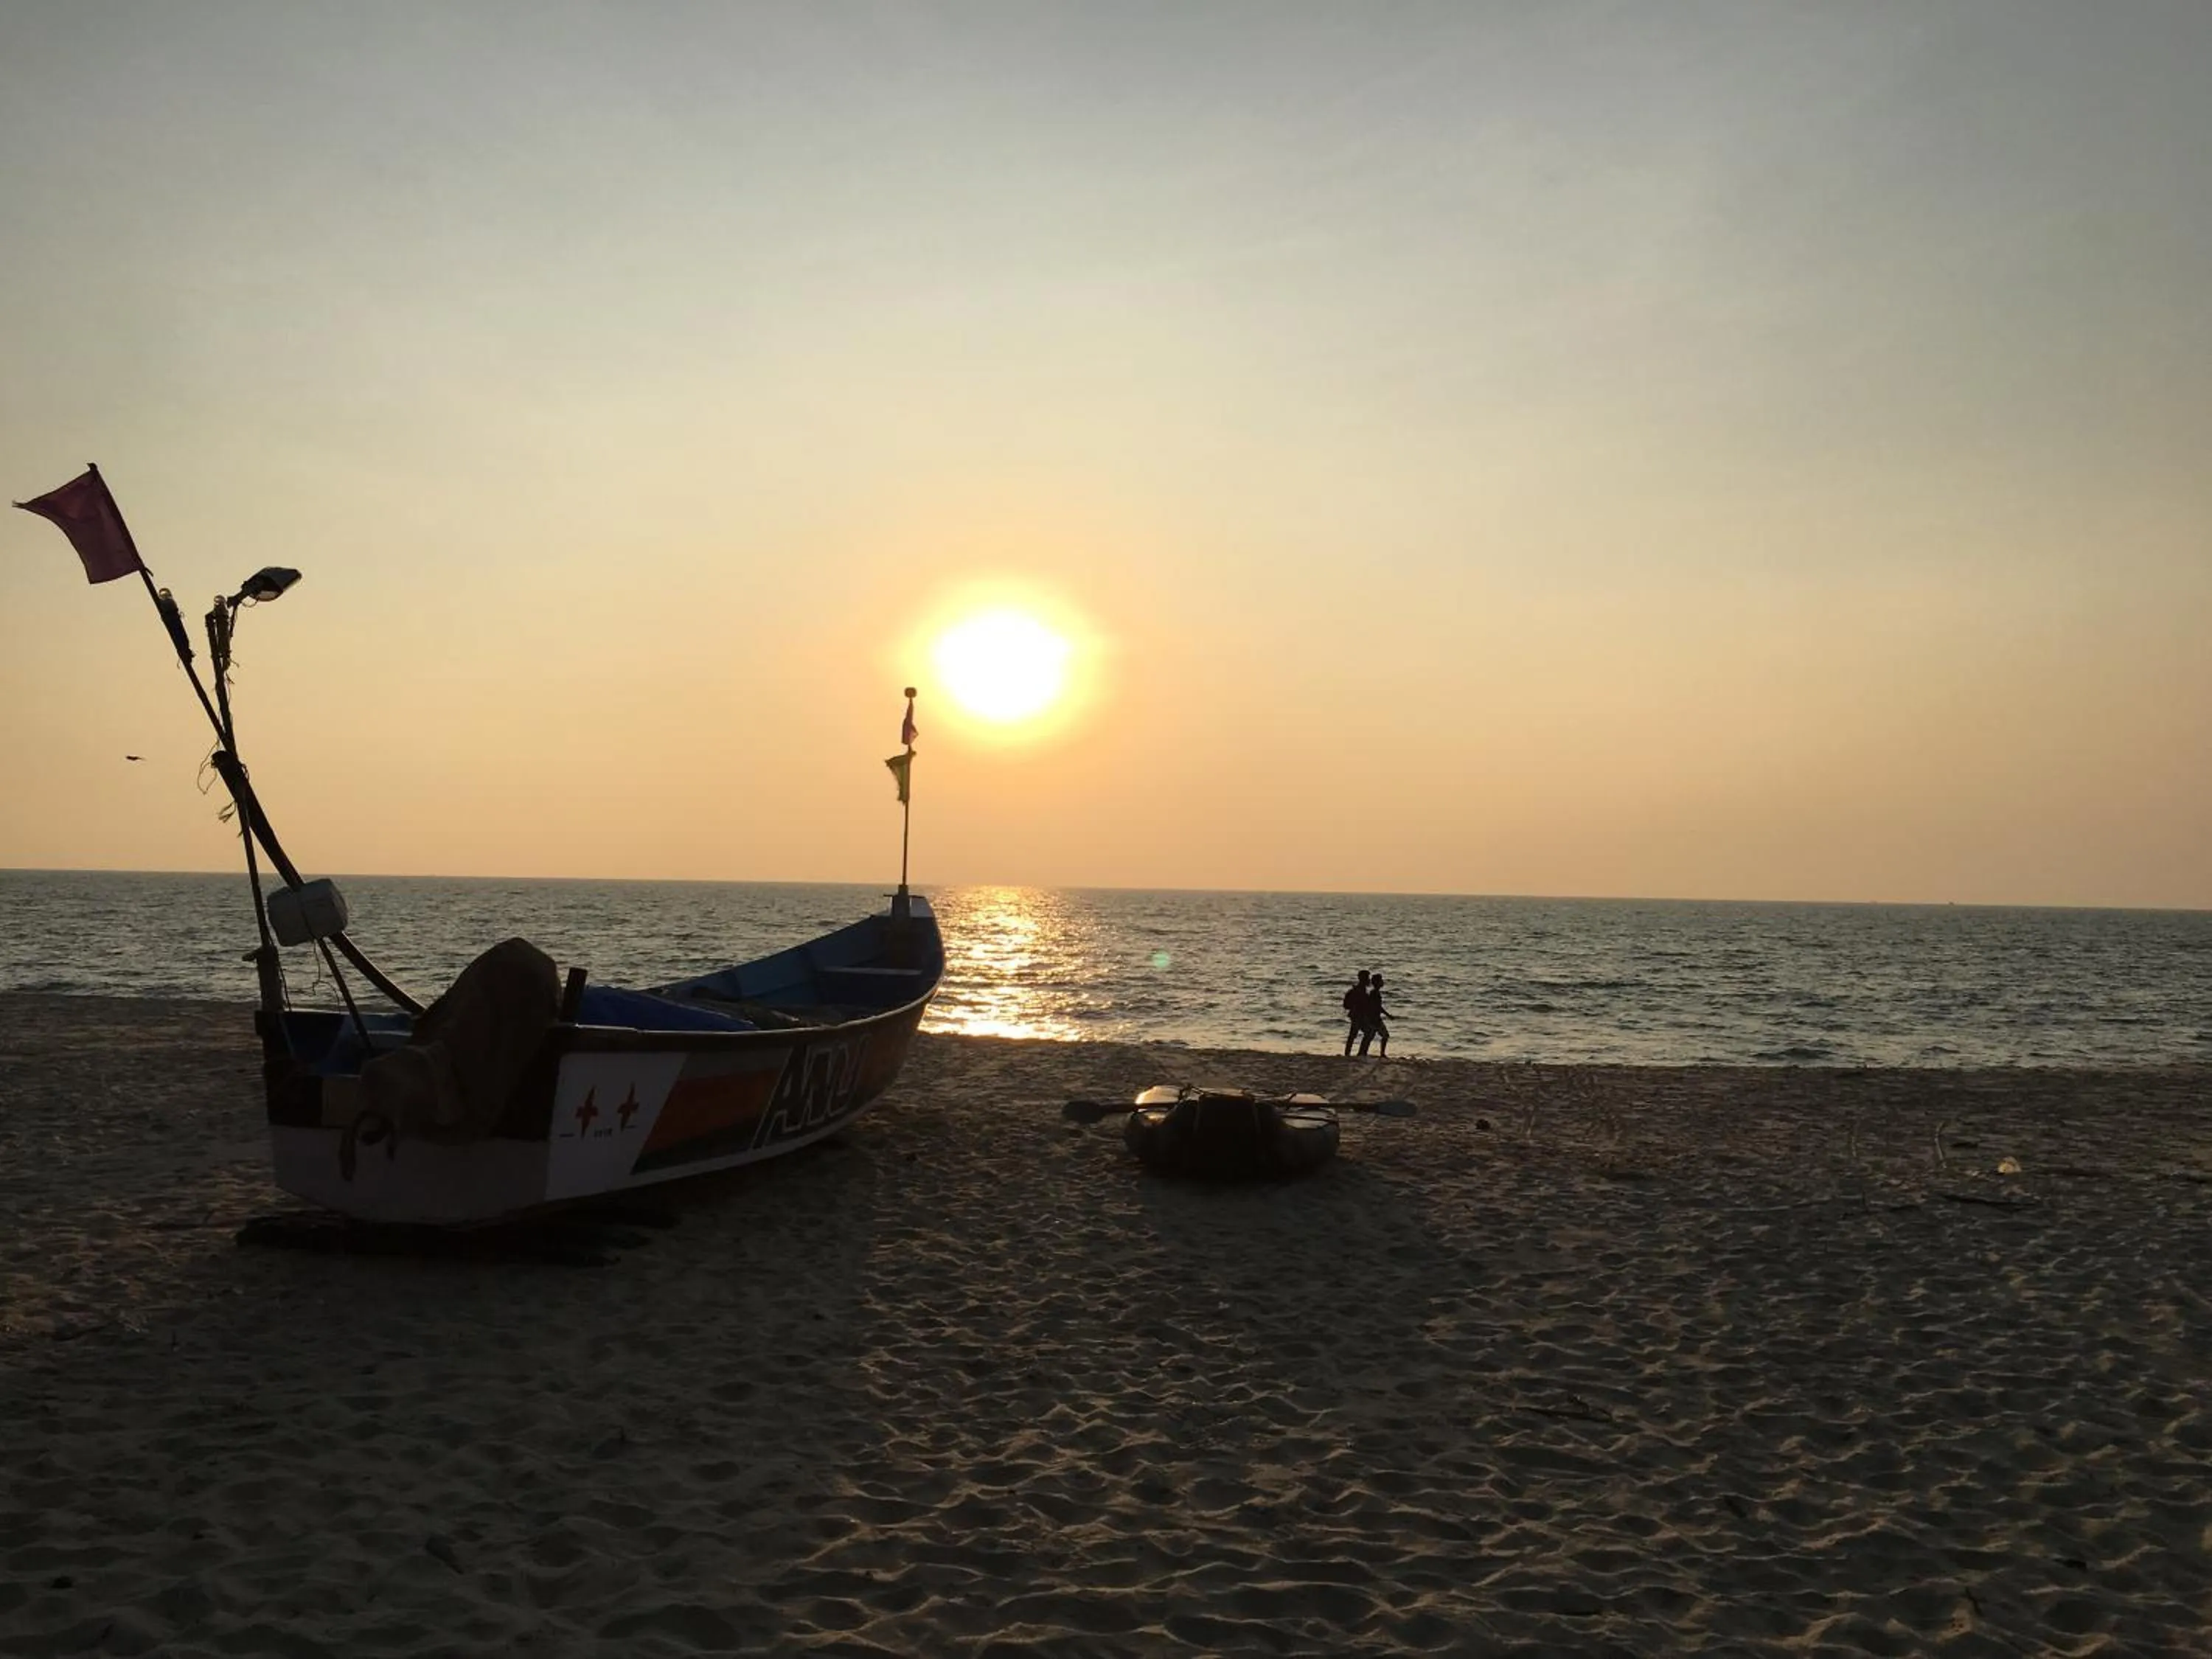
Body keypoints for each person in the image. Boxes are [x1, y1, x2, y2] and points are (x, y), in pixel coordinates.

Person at [1341, 970, 1371, 1057]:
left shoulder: (1361, 990)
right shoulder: (1358, 991)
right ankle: (1356, 1053)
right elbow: (1347, 1005)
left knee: (1365, 1033)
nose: (1369, 980)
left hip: (1360, 1016)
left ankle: (1359, 1053)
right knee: (1357, 1034)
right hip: (1357, 1016)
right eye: (1367, 978)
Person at [1366, 972, 1391, 1058]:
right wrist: (1388, 1015)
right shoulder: (1375, 993)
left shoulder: (1374, 993)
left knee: (1371, 1036)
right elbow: (1378, 1007)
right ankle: (1382, 1054)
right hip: (1375, 1018)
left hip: (1374, 1018)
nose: (1382, 982)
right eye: (1381, 981)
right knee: (1385, 1035)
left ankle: (1365, 1052)